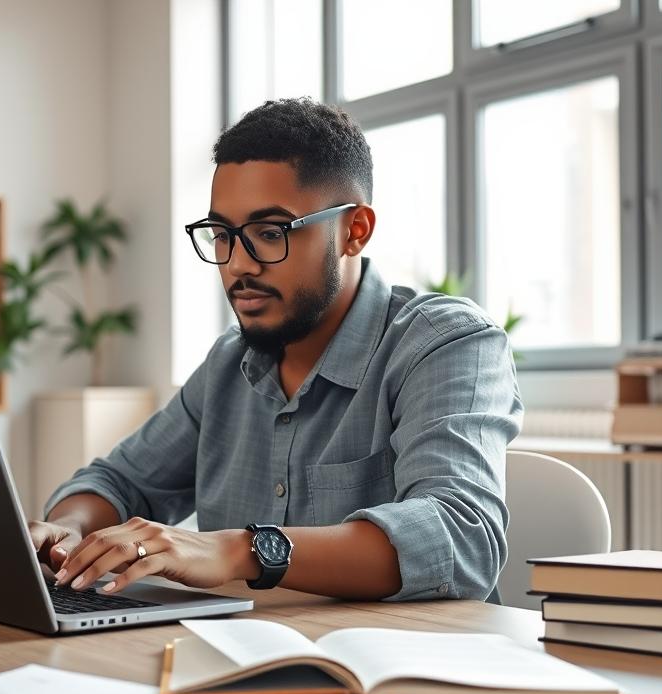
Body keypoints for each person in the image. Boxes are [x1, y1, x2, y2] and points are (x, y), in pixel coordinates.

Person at [31, 97, 522, 602]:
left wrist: (236, 551)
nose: (238, 265)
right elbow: (119, 480)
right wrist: (68, 529)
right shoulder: (229, 364)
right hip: (246, 658)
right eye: (222, 235)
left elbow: (461, 538)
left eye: (269, 234)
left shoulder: (446, 342)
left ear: (354, 231)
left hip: (412, 666)